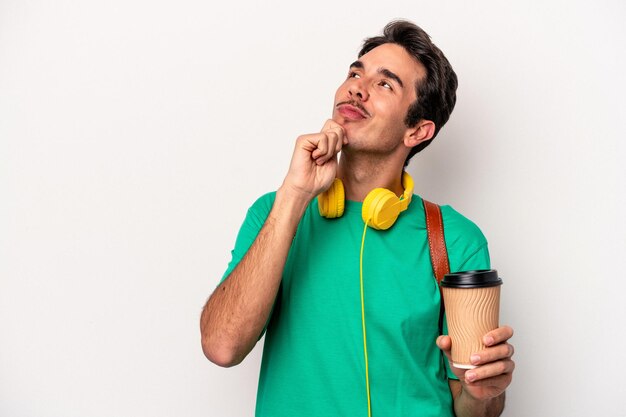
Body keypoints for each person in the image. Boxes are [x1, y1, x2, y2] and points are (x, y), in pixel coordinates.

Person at [200, 20, 515, 417]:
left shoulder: (455, 239)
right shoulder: (275, 212)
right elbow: (221, 346)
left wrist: (484, 391)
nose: (356, 87)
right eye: (354, 72)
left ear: (418, 130)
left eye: (385, 84)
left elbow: (473, 407)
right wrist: (294, 196)